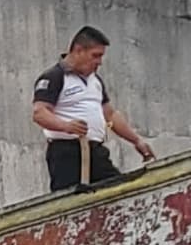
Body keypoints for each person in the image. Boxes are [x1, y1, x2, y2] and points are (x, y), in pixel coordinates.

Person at [29, 25, 149, 195]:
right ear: (78, 51)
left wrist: (136, 140)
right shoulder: (54, 77)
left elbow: (110, 115)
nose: (99, 62)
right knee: (70, 201)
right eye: (95, 56)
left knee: (117, 192)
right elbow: (40, 113)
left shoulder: (95, 81)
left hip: (95, 151)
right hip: (67, 152)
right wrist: (66, 126)